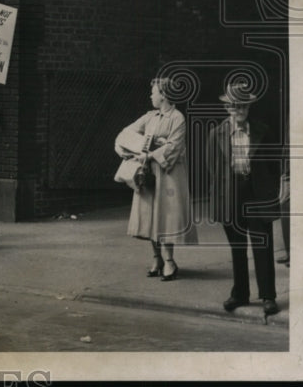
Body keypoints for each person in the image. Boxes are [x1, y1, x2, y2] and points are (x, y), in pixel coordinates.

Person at [207, 78, 282, 316]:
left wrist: (270, 188)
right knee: (237, 247)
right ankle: (240, 294)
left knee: (262, 245)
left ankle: (268, 296)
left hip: (257, 194)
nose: (240, 110)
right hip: (231, 195)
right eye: (235, 106)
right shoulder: (217, 133)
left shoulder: (262, 130)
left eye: (244, 106)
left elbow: (273, 163)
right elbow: (213, 166)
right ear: (227, 107)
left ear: (249, 108)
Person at [114, 76, 198, 281]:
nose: (150, 95)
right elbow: (125, 133)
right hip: (148, 173)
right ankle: (156, 257)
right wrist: (142, 145)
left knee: (165, 216)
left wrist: (150, 153)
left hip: (168, 174)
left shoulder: (177, 118)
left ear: (163, 95)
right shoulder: (150, 116)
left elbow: (174, 146)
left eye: (153, 92)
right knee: (149, 216)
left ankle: (170, 261)